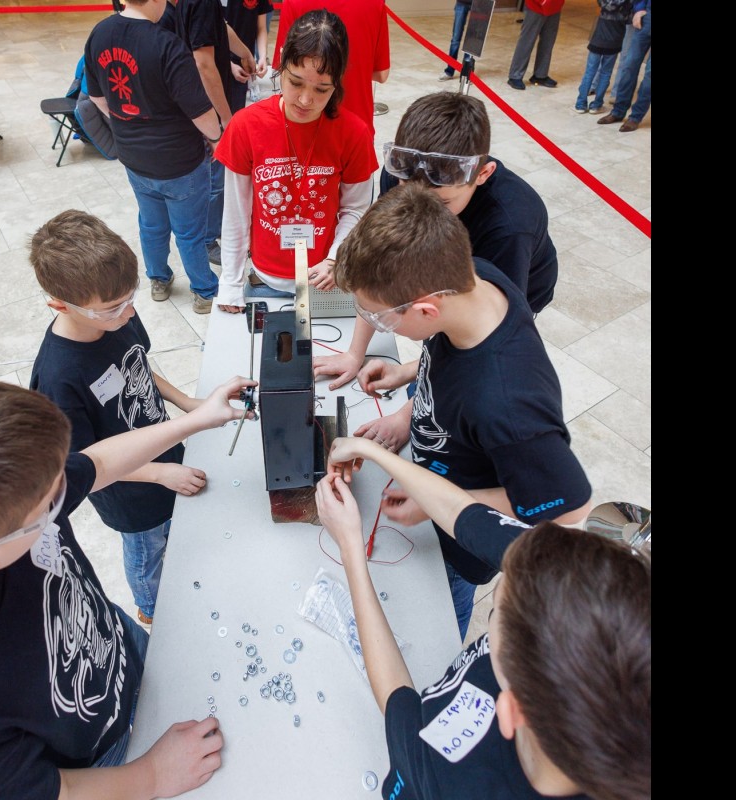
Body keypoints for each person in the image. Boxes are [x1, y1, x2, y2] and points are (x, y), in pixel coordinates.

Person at [0, 373, 256, 799]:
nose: (65, 493)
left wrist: (194, 420)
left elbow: (98, 465)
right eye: (51, 502)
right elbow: (52, 791)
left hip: (119, 646)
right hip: (108, 762)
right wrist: (154, 776)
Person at [314, 439, 651, 800]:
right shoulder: (556, 582)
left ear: (509, 710)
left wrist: (350, 546)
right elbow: (464, 514)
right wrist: (371, 451)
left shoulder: (443, 777)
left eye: (494, 613)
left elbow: (397, 698)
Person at [329, 182, 593, 639]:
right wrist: (410, 386)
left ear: (428, 309)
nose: (375, 325)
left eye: (380, 317)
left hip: (462, 541)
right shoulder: (475, 276)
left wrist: (436, 502)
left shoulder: (506, 405)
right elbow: (451, 366)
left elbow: (567, 508)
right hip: (438, 476)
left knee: (438, 628)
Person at [27, 209, 214, 626]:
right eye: (114, 308)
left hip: (161, 447)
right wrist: (160, 474)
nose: (129, 314)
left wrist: (185, 401)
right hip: (130, 494)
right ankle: (149, 610)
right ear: (60, 305)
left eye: (131, 300)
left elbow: (139, 365)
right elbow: (86, 463)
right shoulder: (58, 378)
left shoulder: (117, 316)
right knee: (147, 551)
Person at [313, 91, 559, 390]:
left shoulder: (510, 225)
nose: (422, 210)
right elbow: (376, 265)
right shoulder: (406, 177)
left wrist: (409, 406)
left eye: (442, 203)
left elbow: (485, 332)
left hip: (517, 279)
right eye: (407, 190)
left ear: (482, 174)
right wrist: (354, 354)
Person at [214, 9, 378, 311]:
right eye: (296, 82)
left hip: (325, 278)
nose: (305, 99)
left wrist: (335, 257)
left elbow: (355, 208)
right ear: (281, 66)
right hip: (264, 278)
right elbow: (236, 211)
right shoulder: (246, 125)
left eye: (321, 89)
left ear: (337, 84)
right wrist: (231, 282)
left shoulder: (354, 133)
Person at [84, 0, 224, 314]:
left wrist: (124, 122)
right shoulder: (166, 44)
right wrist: (217, 139)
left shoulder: (99, 33)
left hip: (134, 158)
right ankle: (204, 291)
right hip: (179, 161)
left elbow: (95, 95)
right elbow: (200, 111)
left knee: (151, 224)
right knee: (189, 232)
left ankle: (158, 280)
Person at [167, 0, 259, 269]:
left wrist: (244, 53)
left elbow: (218, 27)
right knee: (215, 178)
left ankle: (214, 232)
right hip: (203, 106)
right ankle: (208, 239)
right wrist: (226, 120)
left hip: (195, 101)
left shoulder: (204, 6)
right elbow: (203, 65)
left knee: (217, 176)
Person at [273, 0, 390, 139]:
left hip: (303, 125)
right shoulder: (375, 4)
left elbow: (284, 65)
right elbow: (381, 74)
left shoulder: (294, 2)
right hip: (356, 123)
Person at [598, 0, 650, 132]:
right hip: (647, 17)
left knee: (649, 77)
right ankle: (618, 111)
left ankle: (635, 117)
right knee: (629, 65)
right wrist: (639, 9)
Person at [575, 0, 632, 114]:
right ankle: (596, 105)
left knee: (589, 72)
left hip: (598, 38)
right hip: (615, 40)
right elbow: (629, 19)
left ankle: (581, 104)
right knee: (606, 73)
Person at [224, 0, 274, 112]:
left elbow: (261, 27)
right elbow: (214, 29)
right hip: (218, 60)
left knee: (236, 110)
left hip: (243, 63)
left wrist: (262, 56)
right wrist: (228, 63)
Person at [506, 0, 565, 91]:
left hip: (555, 6)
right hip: (536, 5)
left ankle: (540, 75)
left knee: (548, 41)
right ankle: (515, 76)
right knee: (527, 41)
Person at [438, 0, 472, 81]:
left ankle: (467, 74)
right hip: (462, 3)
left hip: (479, 5)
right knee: (455, 39)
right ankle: (449, 71)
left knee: (471, 41)